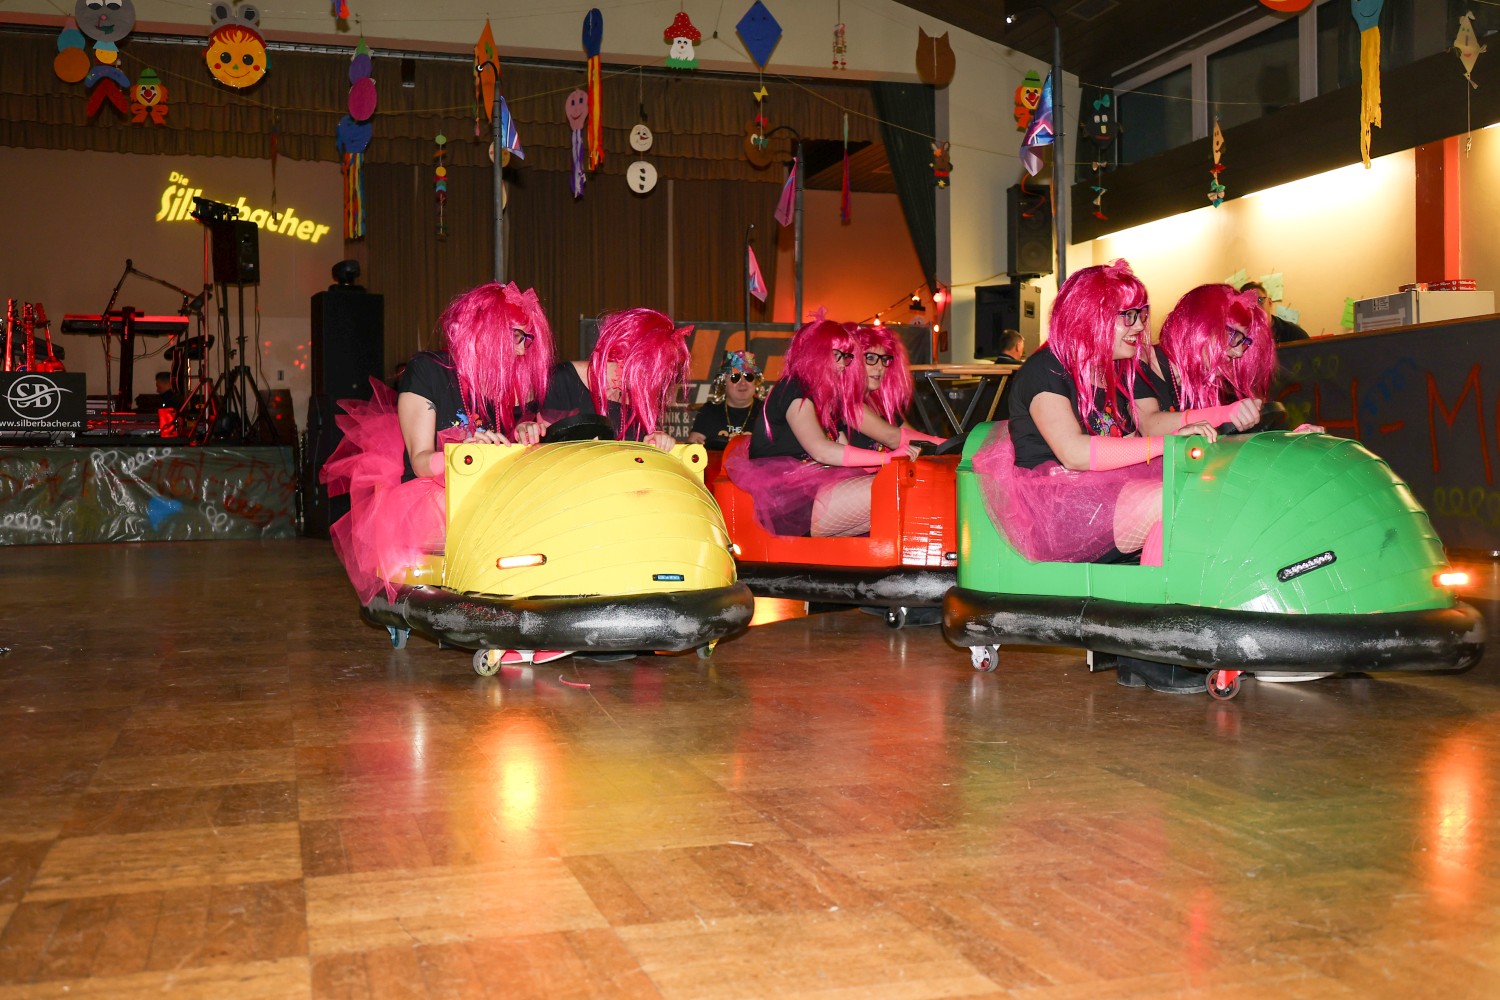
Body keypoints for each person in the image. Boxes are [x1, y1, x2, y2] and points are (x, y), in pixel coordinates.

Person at [971, 260, 1218, 692]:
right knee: (1167, 501)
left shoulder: (1116, 370)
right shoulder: (1045, 369)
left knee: (1195, 489)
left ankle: (1164, 640)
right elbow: (1074, 452)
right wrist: (1165, 444)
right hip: (1057, 507)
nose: (1139, 326)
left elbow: (1135, 435)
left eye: (1142, 314)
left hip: (1100, 495)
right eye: (1128, 315)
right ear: (1091, 315)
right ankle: (1149, 650)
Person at [320, 281, 554, 606]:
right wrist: (465, 454)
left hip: (488, 498)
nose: (522, 350)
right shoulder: (428, 370)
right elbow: (420, 461)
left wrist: (526, 432)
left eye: (527, 339)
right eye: (517, 336)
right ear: (487, 330)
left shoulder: (506, 386)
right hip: (430, 498)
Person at [724, 318, 919, 537]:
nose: (843, 364)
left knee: (906, 491)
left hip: (815, 492)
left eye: (846, 356)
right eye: (836, 355)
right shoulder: (793, 387)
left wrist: (888, 461)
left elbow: (843, 451)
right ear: (815, 352)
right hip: (786, 502)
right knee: (896, 489)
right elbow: (821, 450)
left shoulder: (828, 398)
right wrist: (887, 458)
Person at [542, 308, 690, 452]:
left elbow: (638, 457)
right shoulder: (564, 379)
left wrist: (654, 441)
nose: (653, 378)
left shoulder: (640, 399)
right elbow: (542, 448)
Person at [1136, 284, 1272, 437]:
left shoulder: (1209, 377)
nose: (1239, 352)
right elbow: (1149, 426)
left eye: (1243, 342)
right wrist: (1223, 414)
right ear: (1201, 327)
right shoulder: (1141, 360)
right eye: (1233, 337)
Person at [849, 324, 945, 453]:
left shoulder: (881, 403)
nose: (880, 367)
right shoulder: (850, 405)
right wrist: (945, 444)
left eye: (884, 359)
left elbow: (911, 435)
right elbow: (892, 438)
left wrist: (944, 445)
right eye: (870, 358)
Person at [689, 350, 766, 449]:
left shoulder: (766, 412)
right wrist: (696, 444)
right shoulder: (710, 410)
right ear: (723, 383)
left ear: (755, 382)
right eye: (735, 377)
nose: (743, 383)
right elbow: (693, 442)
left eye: (748, 377)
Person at [1238, 280, 1310, 343]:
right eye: (1248, 303)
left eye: (1260, 300)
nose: (1256, 307)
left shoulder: (1294, 334)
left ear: (1269, 303)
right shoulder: (1240, 338)